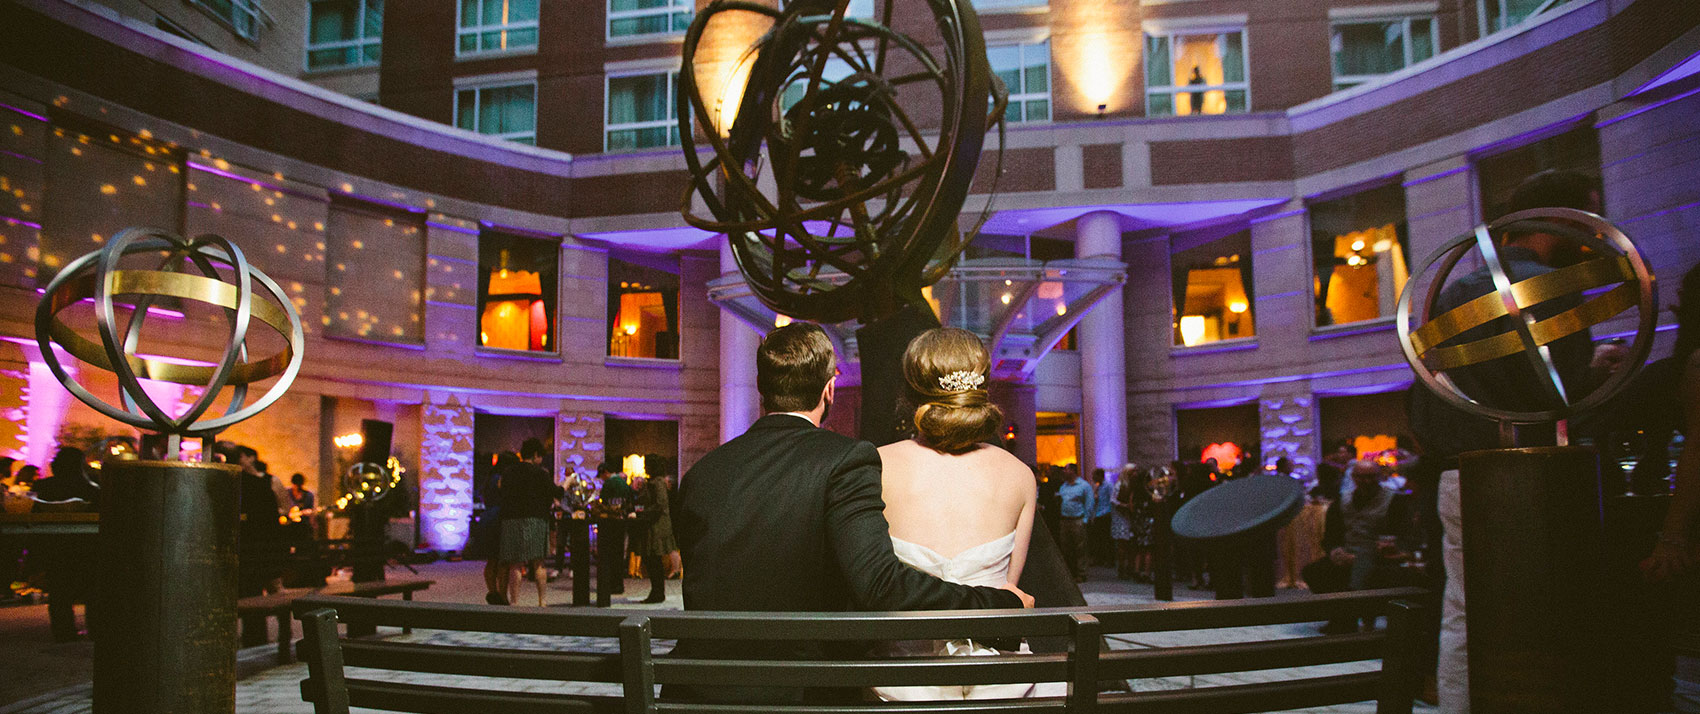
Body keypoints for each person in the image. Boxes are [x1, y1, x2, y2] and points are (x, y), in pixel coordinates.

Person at [671, 322, 1031, 704]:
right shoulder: (843, 461)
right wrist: (999, 602)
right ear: (829, 389)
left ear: (763, 390)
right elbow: (879, 585)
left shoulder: (700, 475)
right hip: (807, 691)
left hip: (699, 689)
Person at [1408, 169, 1628, 713]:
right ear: (1559, 220)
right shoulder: (1550, 294)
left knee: (1463, 612)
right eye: (1589, 221)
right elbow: (1557, 394)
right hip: (1529, 475)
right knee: (1538, 616)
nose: (1594, 236)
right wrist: (1595, 374)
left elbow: (1436, 390)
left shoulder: (1458, 291)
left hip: (1461, 471)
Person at [866, 327, 1061, 700]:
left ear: (908, 392)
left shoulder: (875, 465)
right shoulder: (1019, 475)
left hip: (903, 682)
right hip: (1000, 682)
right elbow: (1008, 590)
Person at [1304, 460, 1408, 632]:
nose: (1366, 482)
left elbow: (1401, 535)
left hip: (1379, 558)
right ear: (1353, 478)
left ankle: (1353, 616)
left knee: (1376, 573)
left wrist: (1386, 547)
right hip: (1347, 553)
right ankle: (1340, 616)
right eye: (1361, 477)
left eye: (1371, 477)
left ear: (1380, 477)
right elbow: (1330, 536)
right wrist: (1335, 552)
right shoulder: (1341, 500)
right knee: (1314, 571)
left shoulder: (1394, 501)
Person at [33, 447, 99, 641]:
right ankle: (95, 630)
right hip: (87, 545)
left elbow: (34, 513)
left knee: (59, 590)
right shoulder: (92, 486)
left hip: (55, 545)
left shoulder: (43, 487)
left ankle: (63, 632)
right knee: (93, 590)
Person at [499, 438, 563, 607]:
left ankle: (514, 602)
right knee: (539, 563)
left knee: (515, 564)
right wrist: (567, 484)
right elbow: (556, 492)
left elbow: (502, 494)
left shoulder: (509, 472)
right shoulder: (541, 473)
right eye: (540, 456)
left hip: (512, 520)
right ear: (535, 455)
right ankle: (542, 601)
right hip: (536, 519)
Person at [234, 446, 284, 596]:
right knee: (252, 584)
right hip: (250, 537)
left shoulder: (270, 480)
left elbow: (284, 506)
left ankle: (281, 614)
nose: (239, 460)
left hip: (268, 535)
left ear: (251, 458)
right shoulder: (241, 481)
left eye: (241, 456)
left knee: (273, 582)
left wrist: (267, 516)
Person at [632, 464, 677, 604]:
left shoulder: (658, 483)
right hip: (653, 525)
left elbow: (660, 504)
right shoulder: (655, 483)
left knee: (654, 560)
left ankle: (657, 593)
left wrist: (643, 514)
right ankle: (657, 592)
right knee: (652, 560)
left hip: (656, 528)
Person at [1055, 463, 1094, 582]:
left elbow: (1089, 503)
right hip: (1065, 519)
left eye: (1066, 469)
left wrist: (1086, 519)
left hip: (1077, 519)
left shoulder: (1083, 486)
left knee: (1080, 547)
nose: (1064, 472)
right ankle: (1070, 572)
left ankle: (1081, 572)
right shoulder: (1064, 486)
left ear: (1072, 471)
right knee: (1066, 547)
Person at [1090, 468, 1115, 566]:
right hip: (1098, 513)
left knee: (1106, 538)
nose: (1092, 478)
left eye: (1094, 476)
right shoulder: (1097, 486)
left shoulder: (1108, 485)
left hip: (1105, 513)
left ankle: (1109, 559)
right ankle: (1100, 558)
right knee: (1098, 538)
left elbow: (1111, 499)